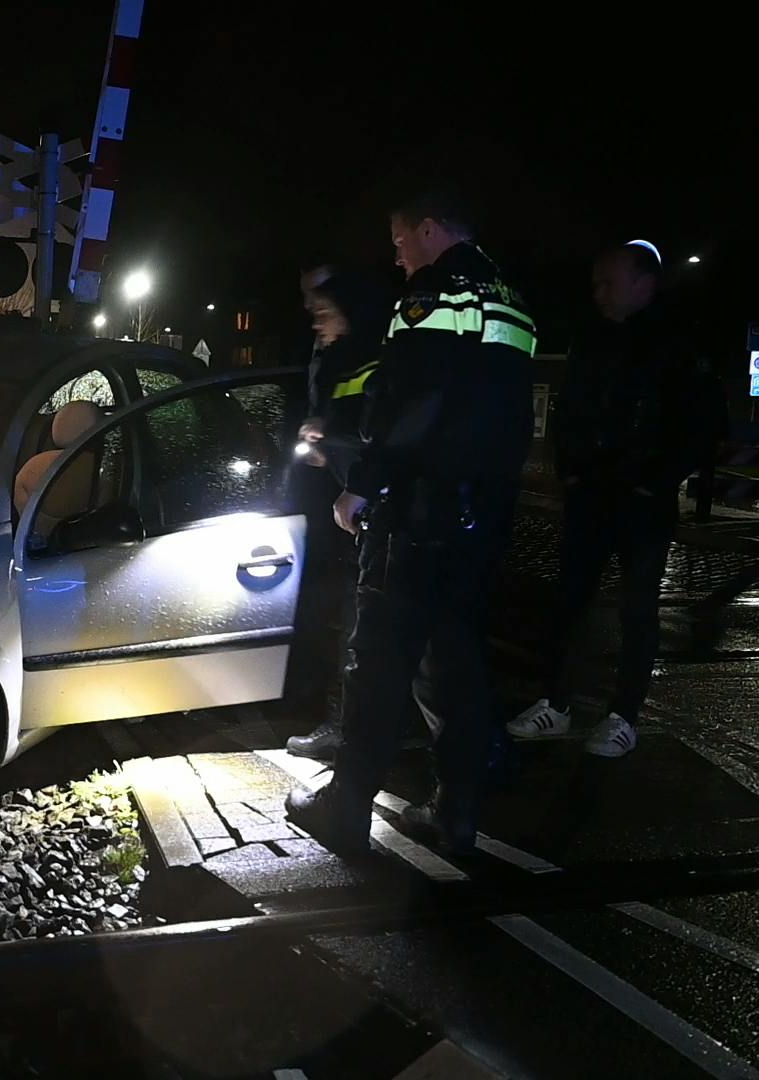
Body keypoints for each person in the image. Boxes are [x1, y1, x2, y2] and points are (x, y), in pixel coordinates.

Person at [286, 191, 536, 856]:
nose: (398, 258)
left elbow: (409, 404)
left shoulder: (433, 296)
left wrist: (362, 485)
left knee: (378, 663)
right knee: (453, 665)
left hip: (417, 513)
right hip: (478, 516)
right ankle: (455, 815)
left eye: (400, 241)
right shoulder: (509, 300)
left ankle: (345, 810)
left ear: (430, 228)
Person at [506, 241, 726, 757]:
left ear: (643, 282)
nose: (597, 292)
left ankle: (623, 715)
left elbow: (705, 423)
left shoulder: (677, 342)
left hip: (642, 501)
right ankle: (555, 704)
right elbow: (570, 409)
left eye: (608, 281)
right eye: (596, 282)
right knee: (569, 603)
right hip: (593, 495)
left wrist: (657, 478)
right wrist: (574, 473)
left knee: (638, 610)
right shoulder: (593, 338)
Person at [284, 265, 396, 759]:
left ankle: (349, 735)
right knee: (362, 627)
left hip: (376, 518)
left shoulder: (370, 364)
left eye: (323, 312)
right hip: (359, 518)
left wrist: (333, 449)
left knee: (363, 630)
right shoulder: (344, 360)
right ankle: (354, 727)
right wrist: (322, 435)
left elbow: (380, 440)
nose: (314, 321)